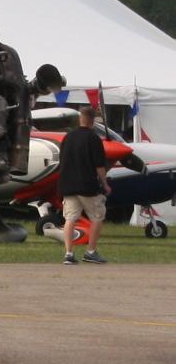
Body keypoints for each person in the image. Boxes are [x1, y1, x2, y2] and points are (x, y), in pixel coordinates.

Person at [58, 105, 111, 265]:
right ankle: (91, 251)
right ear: (93, 121)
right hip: (86, 185)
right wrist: (105, 183)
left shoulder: (68, 137)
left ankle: (68, 253)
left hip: (67, 184)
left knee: (70, 218)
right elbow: (99, 165)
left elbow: (62, 160)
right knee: (97, 216)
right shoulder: (93, 138)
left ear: (80, 118)